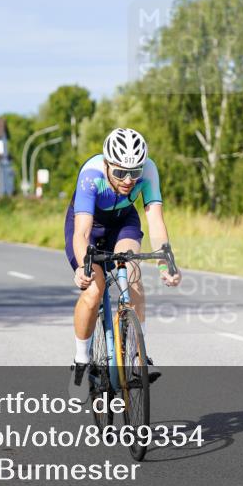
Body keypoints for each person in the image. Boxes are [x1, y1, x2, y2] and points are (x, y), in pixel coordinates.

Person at [65, 128, 181, 392]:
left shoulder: (149, 170)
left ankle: (140, 357)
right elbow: (81, 232)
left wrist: (166, 263)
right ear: (107, 164)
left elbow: (156, 221)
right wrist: (84, 265)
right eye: (120, 173)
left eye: (135, 172)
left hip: (123, 222)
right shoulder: (91, 176)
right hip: (89, 225)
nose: (129, 180)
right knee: (94, 290)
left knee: (133, 275)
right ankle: (81, 360)